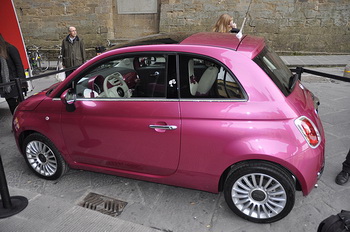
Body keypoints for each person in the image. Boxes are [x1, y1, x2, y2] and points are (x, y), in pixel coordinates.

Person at [0, 34, 26, 114]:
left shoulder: (10, 48)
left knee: (18, 109)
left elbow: (19, 66)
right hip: (5, 86)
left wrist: (22, 84)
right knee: (13, 108)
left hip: (14, 84)